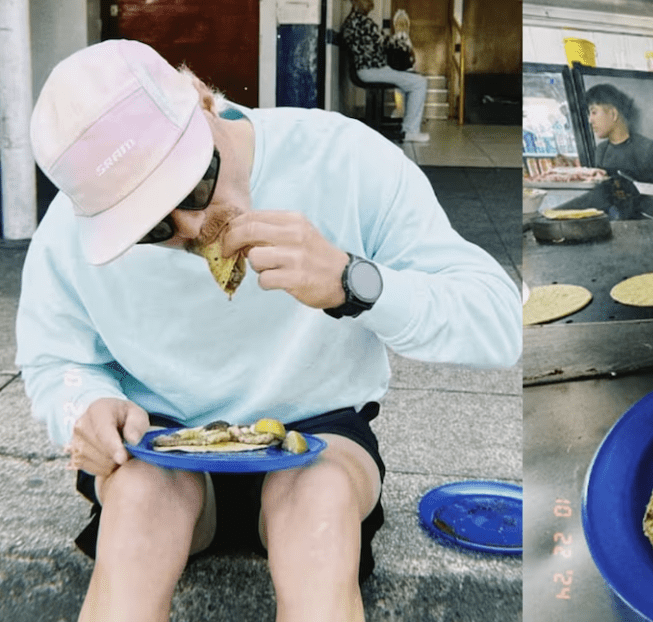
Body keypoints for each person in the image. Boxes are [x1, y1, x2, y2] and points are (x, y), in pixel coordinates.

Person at [16, 39, 521, 622]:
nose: (197, 226)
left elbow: (498, 322)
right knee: (140, 497)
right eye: (152, 227)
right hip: (160, 437)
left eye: (194, 185)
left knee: (319, 500)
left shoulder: (344, 157)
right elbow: (55, 358)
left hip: (319, 434)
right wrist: (86, 403)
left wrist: (351, 283)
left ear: (203, 99)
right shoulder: (73, 231)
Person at [557, 84, 653, 220]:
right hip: (619, 225)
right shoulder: (601, 151)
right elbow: (603, 192)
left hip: (651, 225)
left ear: (613, 114)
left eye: (594, 112)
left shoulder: (648, 148)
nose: (590, 120)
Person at [342, 0, 429, 143]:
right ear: (358, 1)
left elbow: (376, 45)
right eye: (368, 0)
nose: (371, 5)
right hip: (372, 70)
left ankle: (407, 126)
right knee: (419, 82)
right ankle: (410, 131)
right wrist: (402, 42)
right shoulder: (363, 22)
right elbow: (383, 44)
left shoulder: (351, 22)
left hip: (367, 69)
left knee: (412, 80)